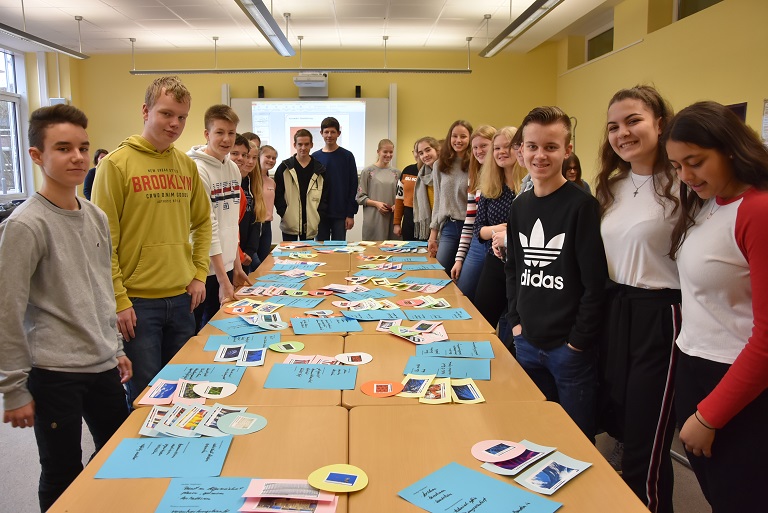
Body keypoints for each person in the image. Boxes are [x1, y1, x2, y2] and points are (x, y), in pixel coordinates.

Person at [0, 105, 131, 512]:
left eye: (83, 147)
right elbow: (7, 311)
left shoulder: (95, 216)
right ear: (37, 155)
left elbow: (100, 292)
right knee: (60, 470)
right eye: (63, 148)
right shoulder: (25, 225)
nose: (77, 157)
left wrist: (116, 349)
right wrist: (13, 390)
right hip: (54, 372)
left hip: (102, 364)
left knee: (116, 457)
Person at [665, 101, 768, 513]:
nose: (686, 176)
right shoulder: (709, 202)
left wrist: (710, 416)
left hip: (737, 386)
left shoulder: (757, 210)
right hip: (695, 366)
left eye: (696, 162)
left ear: (730, 149)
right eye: (676, 166)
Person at [91, 76, 212, 405]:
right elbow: (103, 241)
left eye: (182, 117)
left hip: (182, 298)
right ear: (145, 111)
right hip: (138, 305)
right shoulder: (115, 165)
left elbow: (203, 222)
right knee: (147, 394)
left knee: (185, 388)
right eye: (166, 114)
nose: (175, 124)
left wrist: (200, 273)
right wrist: (119, 300)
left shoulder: (186, 165)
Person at [595, 85, 680, 513]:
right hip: (616, 309)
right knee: (622, 423)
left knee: (647, 439)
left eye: (634, 121)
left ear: (660, 124)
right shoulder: (612, 187)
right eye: (614, 126)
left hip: (660, 314)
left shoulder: (685, 182)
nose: (623, 133)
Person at [504, 106, 607, 440]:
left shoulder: (581, 206)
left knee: (577, 443)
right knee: (535, 436)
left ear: (567, 150)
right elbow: (513, 269)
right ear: (521, 150)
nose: (540, 155)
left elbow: (595, 285)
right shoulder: (520, 205)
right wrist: (517, 322)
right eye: (532, 146)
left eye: (550, 147)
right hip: (528, 342)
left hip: (569, 350)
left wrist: (577, 342)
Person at [188, 105, 251, 330]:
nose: (227, 139)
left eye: (231, 133)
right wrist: (223, 280)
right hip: (202, 271)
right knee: (198, 330)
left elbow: (231, 222)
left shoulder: (233, 168)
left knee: (220, 328)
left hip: (224, 267)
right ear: (207, 134)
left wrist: (236, 266)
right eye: (219, 132)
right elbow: (209, 226)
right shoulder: (197, 169)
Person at [473, 127, 526, 331]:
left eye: (507, 146)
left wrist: (509, 235)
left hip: (523, 266)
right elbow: (478, 230)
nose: (501, 152)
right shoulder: (490, 187)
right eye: (496, 148)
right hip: (495, 262)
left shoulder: (531, 186)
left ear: (520, 149)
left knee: (514, 326)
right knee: (482, 321)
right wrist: (496, 230)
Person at [452, 125, 496, 300]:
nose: (478, 151)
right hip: (478, 243)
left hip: (500, 245)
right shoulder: (475, 174)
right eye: (475, 147)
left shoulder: (506, 174)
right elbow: (470, 220)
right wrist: (459, 258)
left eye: (484, 146)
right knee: (463, 292)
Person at [429, 120, 473, 271]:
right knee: (440, 272)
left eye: (463, 136)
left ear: (470, 139)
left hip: (471, 227)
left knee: (464, 277)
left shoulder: (475, 163)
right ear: (449, 138)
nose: (458, 140)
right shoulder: (440, 164)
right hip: (449, 226)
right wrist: (432, 235)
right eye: (454, 136)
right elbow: (438, 201)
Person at [274, 129, 329, 241]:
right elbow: (278, 194)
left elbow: (325, 195)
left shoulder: (319, 169)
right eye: (300, 144)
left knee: (308, 256)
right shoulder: (284, 168)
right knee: (289, 256)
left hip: (311, 222)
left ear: (311, 145)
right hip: (290, 221)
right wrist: (284, 213)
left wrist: (319, 215)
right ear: (295, 145)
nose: (303, 148)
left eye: (306, 144)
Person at [312, 117, 359, 240]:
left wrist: (350, 214)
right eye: (326, 132)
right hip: (319, 213)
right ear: (321, 133)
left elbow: (353, 186)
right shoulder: (315, 157)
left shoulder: (347, 156)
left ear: (339, 133)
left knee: (339, 251)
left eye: (333, 132)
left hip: (341, 214)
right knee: (321, 250)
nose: (329, 135)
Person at [234, 136, 266, 273]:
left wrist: (250, 251)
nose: (251, 161)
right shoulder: (233, 182)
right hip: (234, 252)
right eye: (248, 157)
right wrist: (239, 253)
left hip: (247, 251)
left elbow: (256, 219)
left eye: (255, 158)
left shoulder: (253, 183)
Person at [356, 138, 399, 240]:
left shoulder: (397, 173)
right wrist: (376, 204)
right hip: (373, 219)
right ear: (378, 151)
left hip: (391, 219)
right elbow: (360, 197)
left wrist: (396, 205)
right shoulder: (367, 172)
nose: (388, 155)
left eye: (391, 152)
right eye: (385, 152)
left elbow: (401, 196)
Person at [412, 136, 440, 241]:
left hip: (445, 225)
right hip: (431, 224)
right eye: (421, 153)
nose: (425, 155)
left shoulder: (445, 172)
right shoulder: (422, 174)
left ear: (437, 150)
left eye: (428, 150)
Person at [393, 141, 421, 241]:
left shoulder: (434, 171)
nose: (418, 154)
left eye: (422, 151)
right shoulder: (407, 170)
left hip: (426, 220)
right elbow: (399, 198)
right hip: (409, 218)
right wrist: (397, 223)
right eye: (416, 151)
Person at [258, 144, 277, 262]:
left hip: (267, 225)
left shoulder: (271, 182)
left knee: (264, 260)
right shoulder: (251, 179)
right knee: (254, 264)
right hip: (254, 224)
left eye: (274, 158)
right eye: (268, 157)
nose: (271, 160)